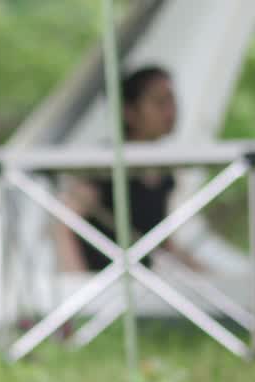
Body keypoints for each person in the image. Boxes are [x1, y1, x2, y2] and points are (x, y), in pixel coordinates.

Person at [55, 65, 203, 274]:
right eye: (160, 102)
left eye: (172, 101)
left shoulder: (164, 173)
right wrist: (79, 288)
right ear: (129, 111)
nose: (171, 111)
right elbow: (64, 225)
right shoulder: (101, 168)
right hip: (101, 287)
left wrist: (210, 277)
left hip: (139, 287)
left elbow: (162, 242)